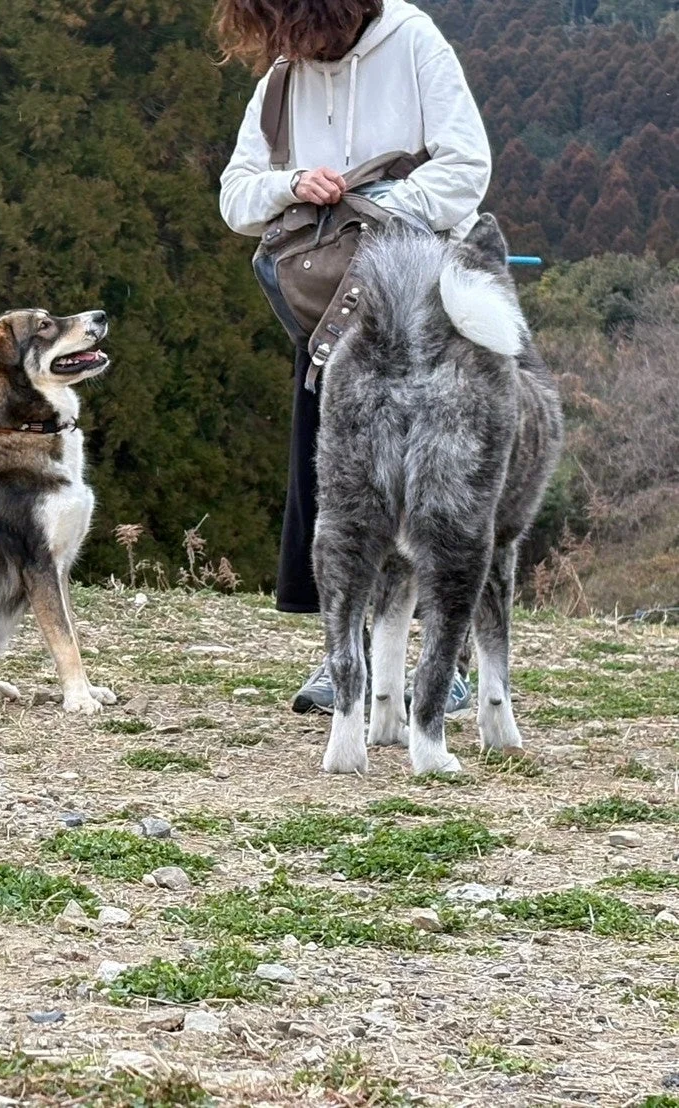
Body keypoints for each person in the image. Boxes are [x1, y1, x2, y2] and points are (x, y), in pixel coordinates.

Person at [217, 0, 490, 715]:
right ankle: (347, 658)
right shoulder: (282, 74)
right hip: (328, 311)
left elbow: (467, 166)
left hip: (424, 294)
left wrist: (376, 205)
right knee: (338, 481)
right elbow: (235, 195)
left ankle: (442, 658)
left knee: (432, 477)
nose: (290, 41)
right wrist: (291, 184)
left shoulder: (413, 39)